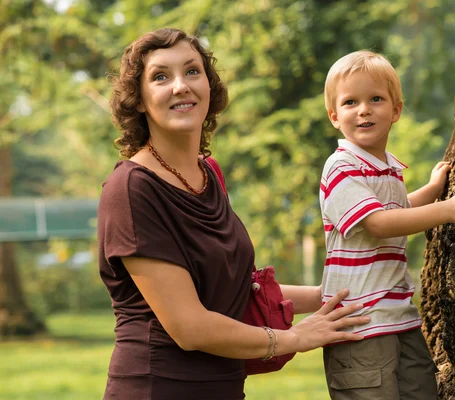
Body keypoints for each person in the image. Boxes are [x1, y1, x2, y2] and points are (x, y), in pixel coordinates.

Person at [97, 28, 370, 400]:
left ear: (209, 87)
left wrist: (339, 295)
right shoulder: (132, 189)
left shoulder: (209, 174)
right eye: (161, 76)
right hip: (156, 389)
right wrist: (295, 338)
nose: (181, 86)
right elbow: (189, 326)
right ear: (140, 100)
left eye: (193, 71)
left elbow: (236, 291)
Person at [319, 50, 455, 400]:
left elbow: (399, 209)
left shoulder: (387, 167)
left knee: (421, 390)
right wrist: (447, 209)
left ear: (396, 110)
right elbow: (379, 223)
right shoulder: (341, 168)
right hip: (360, 323)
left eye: (376, 99)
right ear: (334, 116)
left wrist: (431, 190)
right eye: (350, 102)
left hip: (399, 315)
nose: (364, 109)